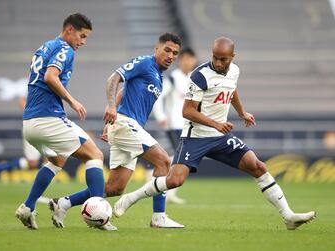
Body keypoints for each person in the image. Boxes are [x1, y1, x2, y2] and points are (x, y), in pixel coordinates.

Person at [112, 37, 316, 230]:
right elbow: (187, 111)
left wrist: (241, 112)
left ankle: (288, 216)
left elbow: (232, 89)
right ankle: (131, 198)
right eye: (215, 58)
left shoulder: (234, 71)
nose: (218, 63)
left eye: (223, 59)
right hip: (196, 136)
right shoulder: (199, 76)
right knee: (175, 180)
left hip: (221, 137)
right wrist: (216, 124)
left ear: (232, 57)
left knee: (258, 166)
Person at [49, 33, 184, 228]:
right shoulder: (145, 63)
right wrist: (111, 107)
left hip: (125, 126)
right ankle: (159, 218)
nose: (171, 56)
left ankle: (62, 203)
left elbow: (123, 91)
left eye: (175, 53)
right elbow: (114, 78)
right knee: (163, 161)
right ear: (157, 49)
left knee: (114, 188)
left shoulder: (158, 77)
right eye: (167, 50)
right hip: (126, 125)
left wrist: (111, 116)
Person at [15, 13, 115, 231]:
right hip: (48, 117)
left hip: (30, 123)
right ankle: (100, 216)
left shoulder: (45, 46)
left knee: (57, 161)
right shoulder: (64, 49)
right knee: (95, 155)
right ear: (69, 30)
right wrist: (72, 101)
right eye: (82, 36)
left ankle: (27, 207)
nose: (83, 42)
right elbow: (51, 77)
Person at [152, 47, 198, 204]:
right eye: (187, 58)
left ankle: (153, 173)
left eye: (192, 59)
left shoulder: (193, 78)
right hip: (174, 124)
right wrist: (161, 116)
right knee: (181, 159)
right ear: (182, 59)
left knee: (176, 157)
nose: (190, 62)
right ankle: (166, 188)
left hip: (187, 124)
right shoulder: (173, 78)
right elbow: (158, 96)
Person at [0, 95, 42, 187]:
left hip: (40, 130)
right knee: (32, 162)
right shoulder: (35, 92)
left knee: (33, 163)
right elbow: (22, 100)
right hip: (32, 130)